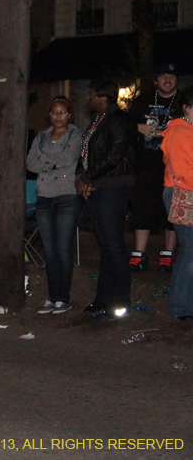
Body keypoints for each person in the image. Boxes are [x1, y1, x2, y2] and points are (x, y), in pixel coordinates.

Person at [75, 79, 137, 320]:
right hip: (98, 186)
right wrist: (80, 177)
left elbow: (114, 157)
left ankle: (120, 302)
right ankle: (103, 299)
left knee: (114, 245)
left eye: (90, 94)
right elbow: (85, 155)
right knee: (106, 245)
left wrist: (88, 178)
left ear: (102, 97)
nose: (87, 99)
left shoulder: (120, 120)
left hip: (114, 186)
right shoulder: (97, 122)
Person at [26, 97, 83, 314]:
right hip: (44, 196)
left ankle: (63, 297)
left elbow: (69, 157)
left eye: (62, 112)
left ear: (69, 115)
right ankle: (52, 296)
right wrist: (52, 163)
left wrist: (44, 161)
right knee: (49, 251)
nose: (58, 116)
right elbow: (30, 161)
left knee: (62, 248)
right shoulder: (41, 136)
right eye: (54, 112)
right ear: (49, 115)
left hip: (67, 196)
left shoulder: (75, 134)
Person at [128, 63, 179, 272]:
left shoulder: (184, 101)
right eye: (163, 75)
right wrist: (138, 127)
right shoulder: (143, 101)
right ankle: (139, 255)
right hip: (146, 164)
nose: (167, 79)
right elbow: (125, 125)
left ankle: (167, 254)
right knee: (142, 208)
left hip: (175, 166)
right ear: (155, 80)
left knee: (172, 210)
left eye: (172, 76)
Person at [160, 88, 193, 320]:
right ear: (188, 107)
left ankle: (183, 305)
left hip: (184, 192)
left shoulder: (185, 130)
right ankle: (181, 307)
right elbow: (184, 171)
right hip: (183, 194)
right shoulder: (181, 131)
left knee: (189, 251)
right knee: (189, 251)